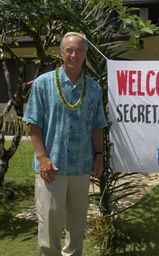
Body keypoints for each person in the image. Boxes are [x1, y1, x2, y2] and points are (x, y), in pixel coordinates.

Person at [23, 32, 107, 256]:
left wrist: (99, 156)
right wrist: (42, 158)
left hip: (81, 166)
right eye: (69, 49)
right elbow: (33, 123)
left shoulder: (94, 88)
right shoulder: (43, 84)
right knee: (49, 223)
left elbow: (97, 125)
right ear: (61, 53)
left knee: (77, 224)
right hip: (52, 167)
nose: (74, 54)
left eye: (79, 50)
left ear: (85, 55)